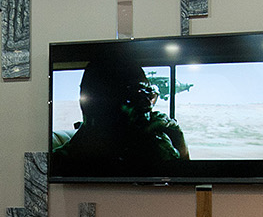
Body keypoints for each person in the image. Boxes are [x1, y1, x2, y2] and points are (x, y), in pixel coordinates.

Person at [53, 61, 189, 173]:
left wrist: (179, 143)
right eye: (137, 95)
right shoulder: (59, 164)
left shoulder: (150, 145)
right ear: (98, 105)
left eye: (150, 95)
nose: (148, 105)